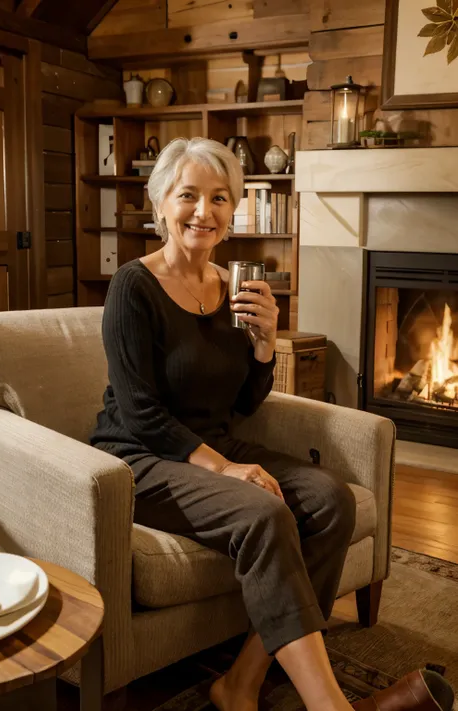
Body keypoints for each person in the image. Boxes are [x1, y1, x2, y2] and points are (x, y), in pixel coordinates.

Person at [91, 137, 444, 711]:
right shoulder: (133, 286)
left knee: (333, 499)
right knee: (264, 511)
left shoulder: (234, 287)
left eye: (219, 198)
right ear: (161, 204)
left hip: (214, 443)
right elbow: (140, 413)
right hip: (139, 457)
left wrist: (264, 348)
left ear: (233, 214)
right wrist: (227, 469)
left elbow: (247, 402)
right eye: (188, 195)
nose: (203, 211)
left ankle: (242, 681)